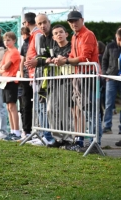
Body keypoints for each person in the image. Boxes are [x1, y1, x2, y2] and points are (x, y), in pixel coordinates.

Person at [54, 10, 102, 153]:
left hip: (89, 76)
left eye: (75, 20)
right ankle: (84, 142)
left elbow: (84, 58)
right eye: (70, 21)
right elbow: (73, 56)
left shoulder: (88, 35)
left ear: (82, 20)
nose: (73, 23)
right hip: (79, 77)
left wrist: (66, 60)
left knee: (92, 112)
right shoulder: (75, 36)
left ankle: (95, 144)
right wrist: (61, 59)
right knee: (82, 111)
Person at [24, 13, 55, 146]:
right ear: (36, 24)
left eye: (45, 22)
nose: (43, 25)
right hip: (38, 76)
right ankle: (43, 134)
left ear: (49, 22)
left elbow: (45, 57)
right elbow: (41, 56)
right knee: (39, 107)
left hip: (48, 77)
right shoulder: (39, 37)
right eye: (40, 23)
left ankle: (48, 136)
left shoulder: (39, 36)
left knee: (46, 108)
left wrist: (38, 62)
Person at [19, 12, 42, 141]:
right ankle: (37, 132)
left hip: (37, 75)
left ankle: (42, 134)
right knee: (36, 106)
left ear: (26, 23)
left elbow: (40, 54)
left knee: (39, 106)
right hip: (33, 75)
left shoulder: (37, 34)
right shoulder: (33, 35)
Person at [0, 31, 21, 141]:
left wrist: (2, 69)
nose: (6, 42)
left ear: (14, 41)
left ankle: (17, 131)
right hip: (5, 80)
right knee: (8, 107)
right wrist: (1, 69)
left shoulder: (14, 52)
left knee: (12, 106)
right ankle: (12, 130)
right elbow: (0, 67)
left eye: (9, 40)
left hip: (12, 81)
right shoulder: (6, 52)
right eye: (5, 40)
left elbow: (5, 67)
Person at [102, 28, 121, 135]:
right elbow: (104, 60)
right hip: (111, 77)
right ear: (117, 37)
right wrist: (105, 74)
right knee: (108, 103)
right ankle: (107, 126)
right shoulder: (110, 46)